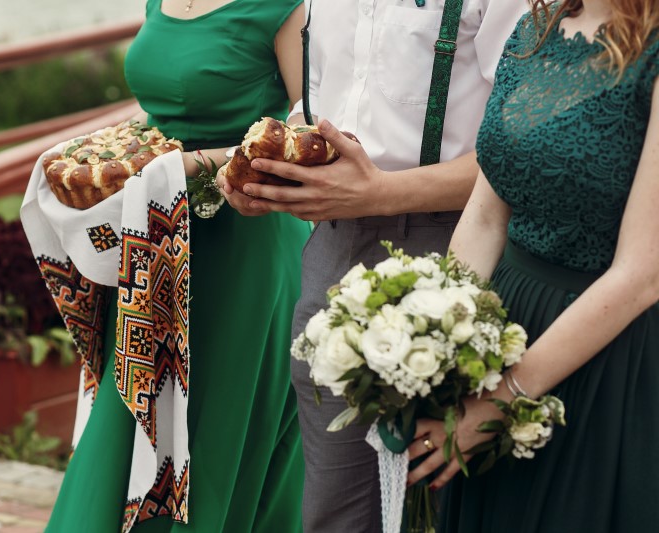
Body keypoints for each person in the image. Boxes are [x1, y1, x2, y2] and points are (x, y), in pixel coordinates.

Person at [216, 0, 526, 531]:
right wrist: (273, 171)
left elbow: (525, 146)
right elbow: (319, 107)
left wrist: (383, 192)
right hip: (332, 252)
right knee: (336, 509)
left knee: (446, 503)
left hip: (461, 246)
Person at [45, 0, 310, 531]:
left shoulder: (288, 8)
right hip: (156, 241)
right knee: (133, 416)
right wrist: (114, 159)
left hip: (243, 241)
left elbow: (308, 139)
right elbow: (162, 113)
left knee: (209, 435)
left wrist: (186, 167)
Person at [401, 0, 659, 531]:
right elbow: (486, 215)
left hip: (608, 355)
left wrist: (502, 400)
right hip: (506, 324)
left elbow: (642, 274)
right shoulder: (536, 29)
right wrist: (443, 342)